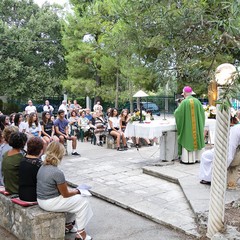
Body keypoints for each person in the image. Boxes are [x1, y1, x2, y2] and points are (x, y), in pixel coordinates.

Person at [36, 142, 93, 240]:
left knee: (75, 201)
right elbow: (65, 194)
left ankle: (68, 225)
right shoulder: (56, 172)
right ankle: (81, 233)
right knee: (83, 202)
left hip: (42, 199)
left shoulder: (43, 166)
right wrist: (78, 191)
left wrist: (74, 191)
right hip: (49, 202)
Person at [174, 86, 205, 164]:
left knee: (187, 138)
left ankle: (188, 159)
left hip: (188, 128)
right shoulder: (197, 101)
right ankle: (198, 158)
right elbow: (202, 115)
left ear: (184, 93)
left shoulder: (184, 102)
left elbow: (177, 114)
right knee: (196, 138)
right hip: (196, 128)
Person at [19, 137, 44, 201]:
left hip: (22, 194)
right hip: (34, 195)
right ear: (41, 150)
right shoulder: (39, 164)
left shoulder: (22, 160)